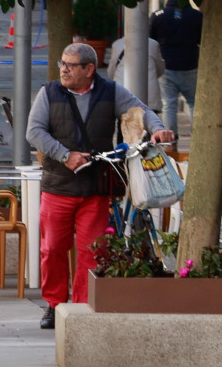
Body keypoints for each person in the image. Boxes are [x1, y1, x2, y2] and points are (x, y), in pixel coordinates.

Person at [26, 42, 174, 329]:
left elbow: (141, 111)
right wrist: (64, 155)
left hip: (95, 187)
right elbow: (34, 131)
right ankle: (54, 305)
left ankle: (80, 308)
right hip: (58, 186)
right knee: (52, 248)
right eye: (62, 64)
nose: (64, 69)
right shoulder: (49, 93)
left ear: (89, 69)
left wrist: (157, 130)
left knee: (92, 251)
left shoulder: (111, 91)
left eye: (71, 65)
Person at [149, 0, 203, 136]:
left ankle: (170, 140)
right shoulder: (197, 16)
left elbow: (151, 40)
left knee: (169, 104)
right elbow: (200, 39)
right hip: (190, 65)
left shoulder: (158, 15)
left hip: (167, 66)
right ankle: (196, 136)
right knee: (193, 102)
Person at [106, 35, 164, 113]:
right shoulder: (153, 44)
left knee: (124, 122)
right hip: (149, 97)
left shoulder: (117, 44)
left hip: (123, 95)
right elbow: (160, 68)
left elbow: (111, 71)